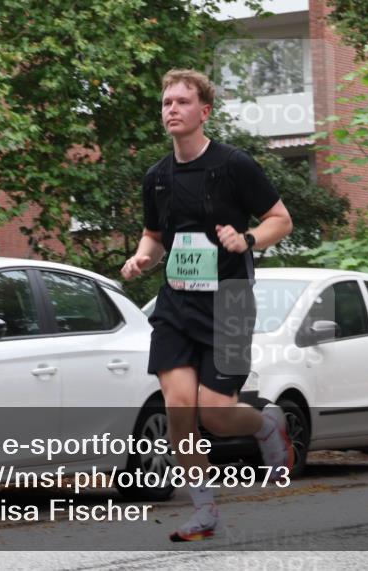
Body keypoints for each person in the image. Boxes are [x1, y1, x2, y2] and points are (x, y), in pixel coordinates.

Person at [121, 69, 295, 542]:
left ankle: (267, 424)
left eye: (181, 102)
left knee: (216, 414)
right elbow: (154, 236)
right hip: (176, 303)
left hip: (230, 303)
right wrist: (142, 257)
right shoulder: (157, 177)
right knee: (179, 407)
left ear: (205, 111)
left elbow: (281, 219)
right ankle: (204, 509)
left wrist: (248, 239)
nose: (172, 109)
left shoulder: (234, 165)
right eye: (166, 103)